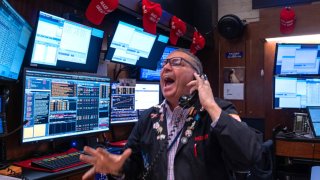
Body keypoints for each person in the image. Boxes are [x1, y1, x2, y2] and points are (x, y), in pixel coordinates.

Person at [80, 49, 263, 180]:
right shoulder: (148, 118)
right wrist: (118, 169)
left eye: (176, 63)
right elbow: (132, 166)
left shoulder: (217, 111)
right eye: (164, 64)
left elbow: (249, 155)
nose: (166, 68)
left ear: (197, 76)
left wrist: (210, 105)